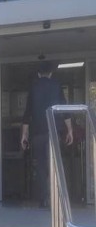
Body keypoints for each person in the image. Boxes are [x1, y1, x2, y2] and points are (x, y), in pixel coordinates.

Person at [20, 61, 73, 208]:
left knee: (41, 167)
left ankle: (44, 199)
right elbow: (64, 110)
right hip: (53, 133)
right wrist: (70, 130)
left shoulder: (33, 88)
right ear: (51, 73)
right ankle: (57, 197)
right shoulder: (56, 86)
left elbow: (27, 114)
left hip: (37, 133)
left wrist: (24, 135)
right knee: (55, 165)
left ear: (38, 74)